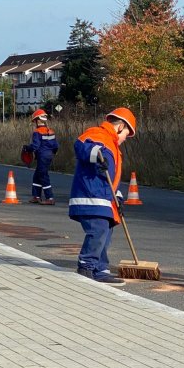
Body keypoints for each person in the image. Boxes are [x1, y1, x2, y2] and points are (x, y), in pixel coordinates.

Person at [68, 107, 136, 286]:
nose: (124, 140)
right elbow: (81, 146)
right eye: (125, 135)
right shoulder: (98, 134)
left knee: (106, 232)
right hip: (90, 196)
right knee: (98, 231)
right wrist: (96, 156)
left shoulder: (113, 147)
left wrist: (118, 198)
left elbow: (112, 180)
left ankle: (101, 269)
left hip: (104, 199)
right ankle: (86, 267)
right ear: (120, 126)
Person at [25, 108, 58, 205]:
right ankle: (36, 196)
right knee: (37, 175)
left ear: (37, 120)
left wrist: (28, 148)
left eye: (34, 121)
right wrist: (52, 153)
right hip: (49, 156)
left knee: (43, 176)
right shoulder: (50, 131)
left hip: (42, 156)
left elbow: (35, 146)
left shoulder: (37, 132)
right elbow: (56, 146)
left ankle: (50, 198)